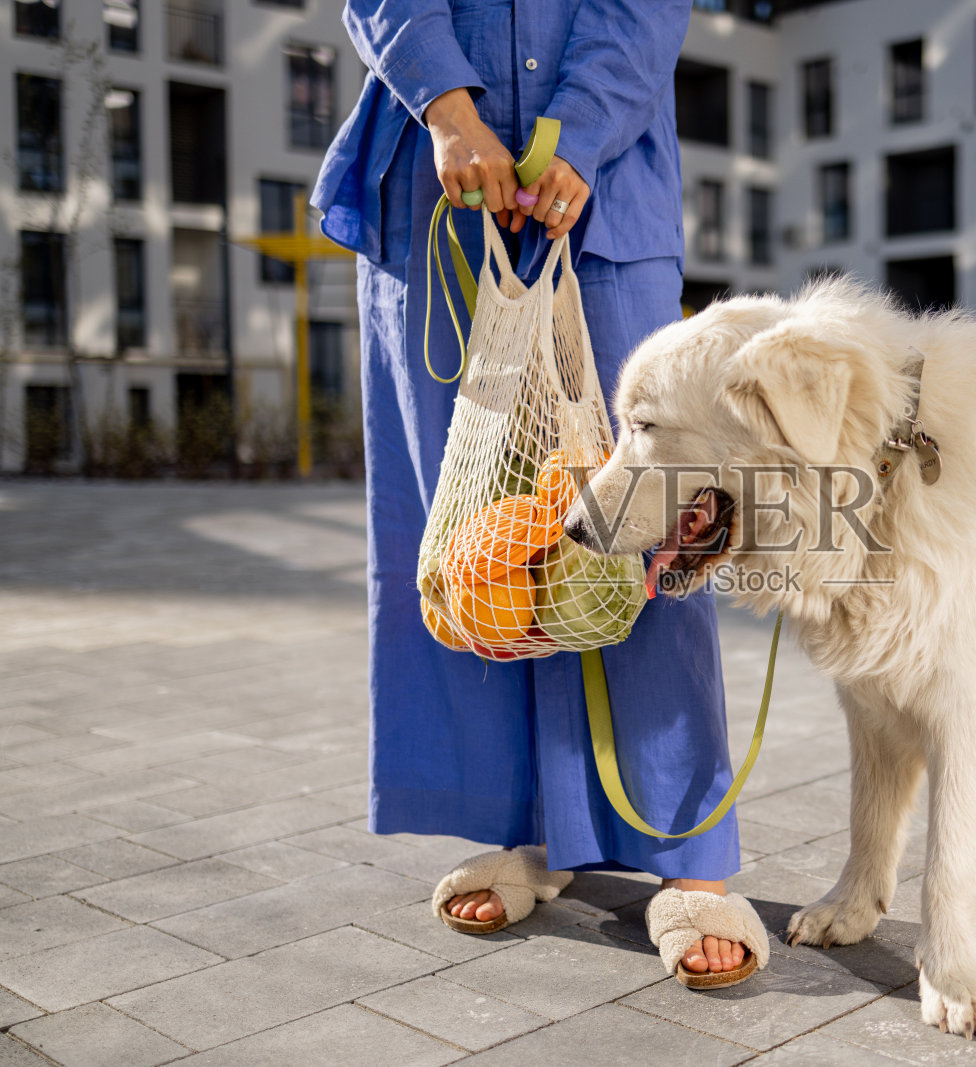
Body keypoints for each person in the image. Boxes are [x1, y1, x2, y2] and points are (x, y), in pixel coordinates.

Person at [312, 0, 769, 987]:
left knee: (646, 526)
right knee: (466, 535)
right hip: (432, 182)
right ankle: (517, 825)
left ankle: (682, 846)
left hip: (604, 190)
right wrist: (447, 106)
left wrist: (573, 132)